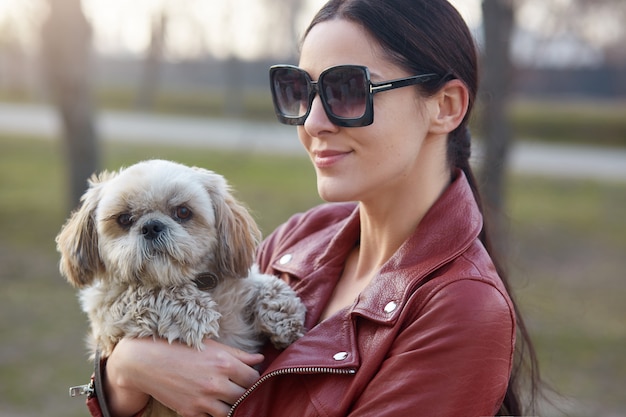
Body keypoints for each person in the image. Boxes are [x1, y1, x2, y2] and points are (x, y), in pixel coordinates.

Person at [87, 0, 541, 416]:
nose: (313, 121)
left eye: (348, 89)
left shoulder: (461, 309)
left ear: (445, 106)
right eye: (300, 90)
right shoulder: (298, 239)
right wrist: (124, 372)